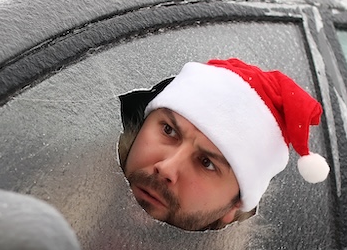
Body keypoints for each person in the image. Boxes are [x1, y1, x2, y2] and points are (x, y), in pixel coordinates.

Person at [118, 58, 330, 231]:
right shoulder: (86, 178)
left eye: (206, 163)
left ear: (234, 206)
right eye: (168, 130)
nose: (166, 168)